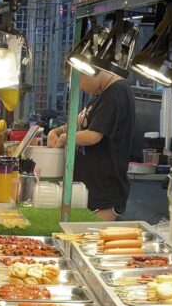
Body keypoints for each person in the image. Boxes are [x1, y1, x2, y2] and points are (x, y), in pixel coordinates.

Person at [46, 67, 135, 221]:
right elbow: (81, 123)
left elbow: (93, 135)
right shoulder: (101, 93)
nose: (79, 88)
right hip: (89, 191)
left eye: (78, 82)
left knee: (90, 241)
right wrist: (57, 131)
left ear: (89, 70)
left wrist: (65, 138)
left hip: (104, 194)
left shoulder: (117, 92)